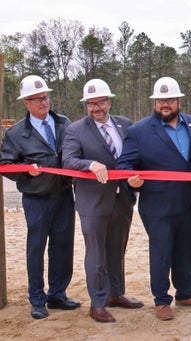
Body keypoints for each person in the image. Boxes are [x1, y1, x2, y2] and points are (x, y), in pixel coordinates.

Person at [116, 76, 191, 321]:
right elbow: (124, 165)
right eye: (160, 100)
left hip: (189, 202)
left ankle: (186, 293)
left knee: (187, 250)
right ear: (154, 102)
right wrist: (130, 180)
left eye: (169, 100)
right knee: (161, 252)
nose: (164, 104)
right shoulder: (138, 131)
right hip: (157, 205)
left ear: (179, 101)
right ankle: (161, 300)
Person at [62, 79, 143, 323]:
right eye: (90, 104)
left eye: (99, 103)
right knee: (96, 254)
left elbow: (133, 158)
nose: (95, 108)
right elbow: (67, 161)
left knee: (117, 249)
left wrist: (136, 179)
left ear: (109, 102)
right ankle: (97, 302)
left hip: (122, 199)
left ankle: (115, 294)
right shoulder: (75, 130)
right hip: (93, 202)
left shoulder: (125, 124)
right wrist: (90, 164)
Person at [0, 75, 80, 319]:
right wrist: (26, 171)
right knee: (36, 249)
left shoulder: (65, 123)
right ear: (26, 102)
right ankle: (37, 299)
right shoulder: (15, 133)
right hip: (37, 199)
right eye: (37, 99)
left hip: (64, 194)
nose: (44, 102)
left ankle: (58, 295)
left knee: (63, 247)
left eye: (46, 97)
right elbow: (5, 164)